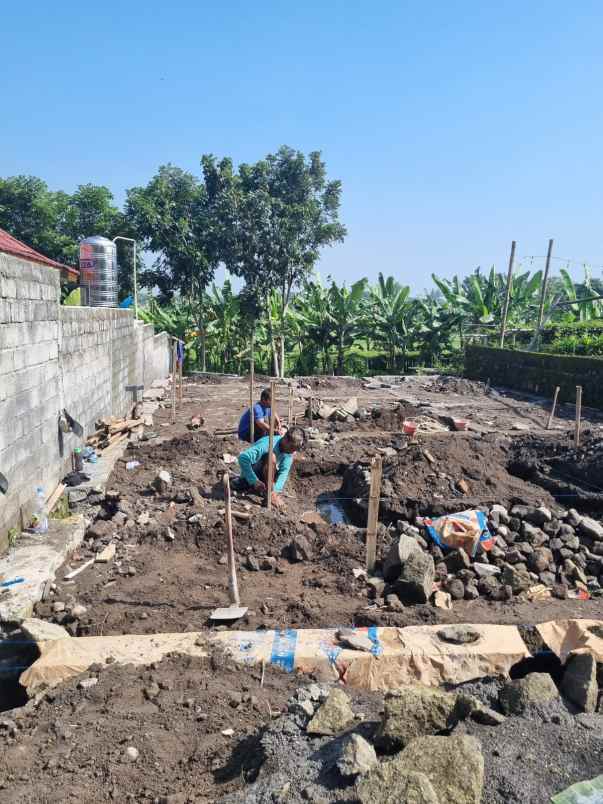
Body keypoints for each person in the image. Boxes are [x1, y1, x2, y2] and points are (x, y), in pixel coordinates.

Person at [237, 427, 305, 508]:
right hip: (253, 472)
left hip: (266, 477)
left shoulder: (289, 450)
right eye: (292, 448)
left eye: (295, 449)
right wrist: (254, 481)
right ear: (285, 439)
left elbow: (284, 472)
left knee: (276, 464)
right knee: (271, 457)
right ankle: (248, 484)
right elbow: (242, 458)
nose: (292, 451)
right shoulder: (267, 445)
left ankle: (269, 492)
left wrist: (275, 492)